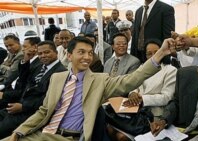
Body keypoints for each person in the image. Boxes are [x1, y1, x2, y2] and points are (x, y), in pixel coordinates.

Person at [2, 36, 172, 141]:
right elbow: (43, 110)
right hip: (40, 134)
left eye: (90, 53)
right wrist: (19, 131)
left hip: (69, 137)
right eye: (81, 52)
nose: (87, 57)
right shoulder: (57, 78)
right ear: (69, 56)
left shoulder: (100, 80)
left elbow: (132, 79)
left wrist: (160, 54)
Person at [107, 39, 177, 141]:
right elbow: (135, 85)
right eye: (149, 54)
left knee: (121, 137)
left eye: (156, 52)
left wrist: (142, 99)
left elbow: (167, 97)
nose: (153, 56)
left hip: (156, 115)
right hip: (136, 112)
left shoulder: (170, 70)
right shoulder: (143, 67)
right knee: (109, 128)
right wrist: (133, 93)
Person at [0, 41, 66, 139]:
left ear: (55, 52)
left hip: (32, 113)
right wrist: (26, 59)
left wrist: (23, 106)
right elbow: (23, 81)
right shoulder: (39, 66)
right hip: (18, 105)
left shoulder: (61, 72)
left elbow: (48, 99)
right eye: (40, 53)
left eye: (47, 52)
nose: (43, 56)